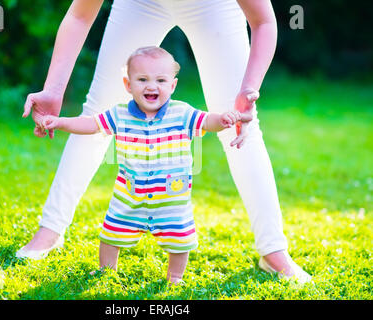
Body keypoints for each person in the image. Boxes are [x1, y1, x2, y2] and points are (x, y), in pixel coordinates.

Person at [18, 0, 312, 283]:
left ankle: (273, 249)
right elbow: (80, 15)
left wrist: (248, 90)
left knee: (239, 123)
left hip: (213, 5)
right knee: (98, 112)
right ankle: (50, 230)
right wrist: (53, 89)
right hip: (140, 4)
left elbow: (263, 21)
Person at [37, 46, 253, 284]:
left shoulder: (182, 113)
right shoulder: (119, 114)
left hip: (172, 196)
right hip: (129, 194)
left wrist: (223, 120)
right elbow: (90, 124)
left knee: (179, 239)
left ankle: (175, 276)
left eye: (161, 80)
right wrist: (59, 122)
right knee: (111, 233)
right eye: (142, 79)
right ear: (128, 85)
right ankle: (106, 269)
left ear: (172, 85)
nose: (152, 86)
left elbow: (207, 121)